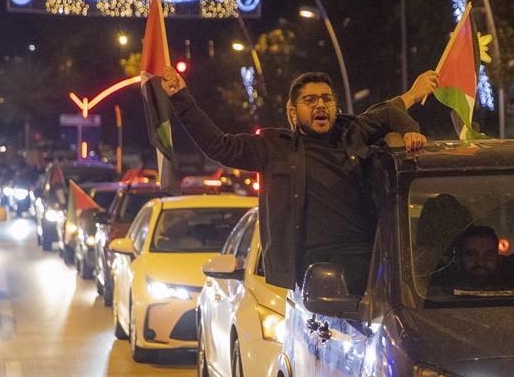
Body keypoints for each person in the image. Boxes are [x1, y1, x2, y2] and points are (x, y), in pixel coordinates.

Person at [160, 67, 435, 293]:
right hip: (316, 269)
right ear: (292, 111)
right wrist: (181, 98)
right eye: (310, 100)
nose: (320, 105)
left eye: (327, 99)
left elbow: (386, 113)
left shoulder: (352, 131)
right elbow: (219, 146)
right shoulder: (272, 147)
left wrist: (410, 129)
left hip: (371, 259)